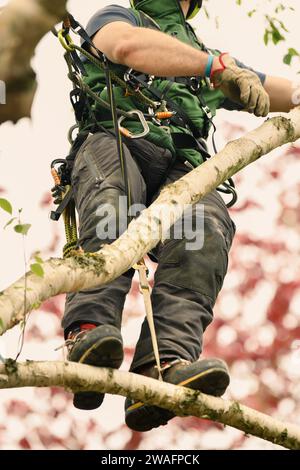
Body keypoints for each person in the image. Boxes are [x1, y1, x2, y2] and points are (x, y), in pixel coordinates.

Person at [61, 0, 297, 432]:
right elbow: (127, 47)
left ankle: (164, 363)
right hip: (120, 137)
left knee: (206, 232)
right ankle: (88, 332)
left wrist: (250, 80)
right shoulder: (122, 18)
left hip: (181, 166)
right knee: (112, 210)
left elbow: (277, 88)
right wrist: (215, 69)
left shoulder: (206, 60)